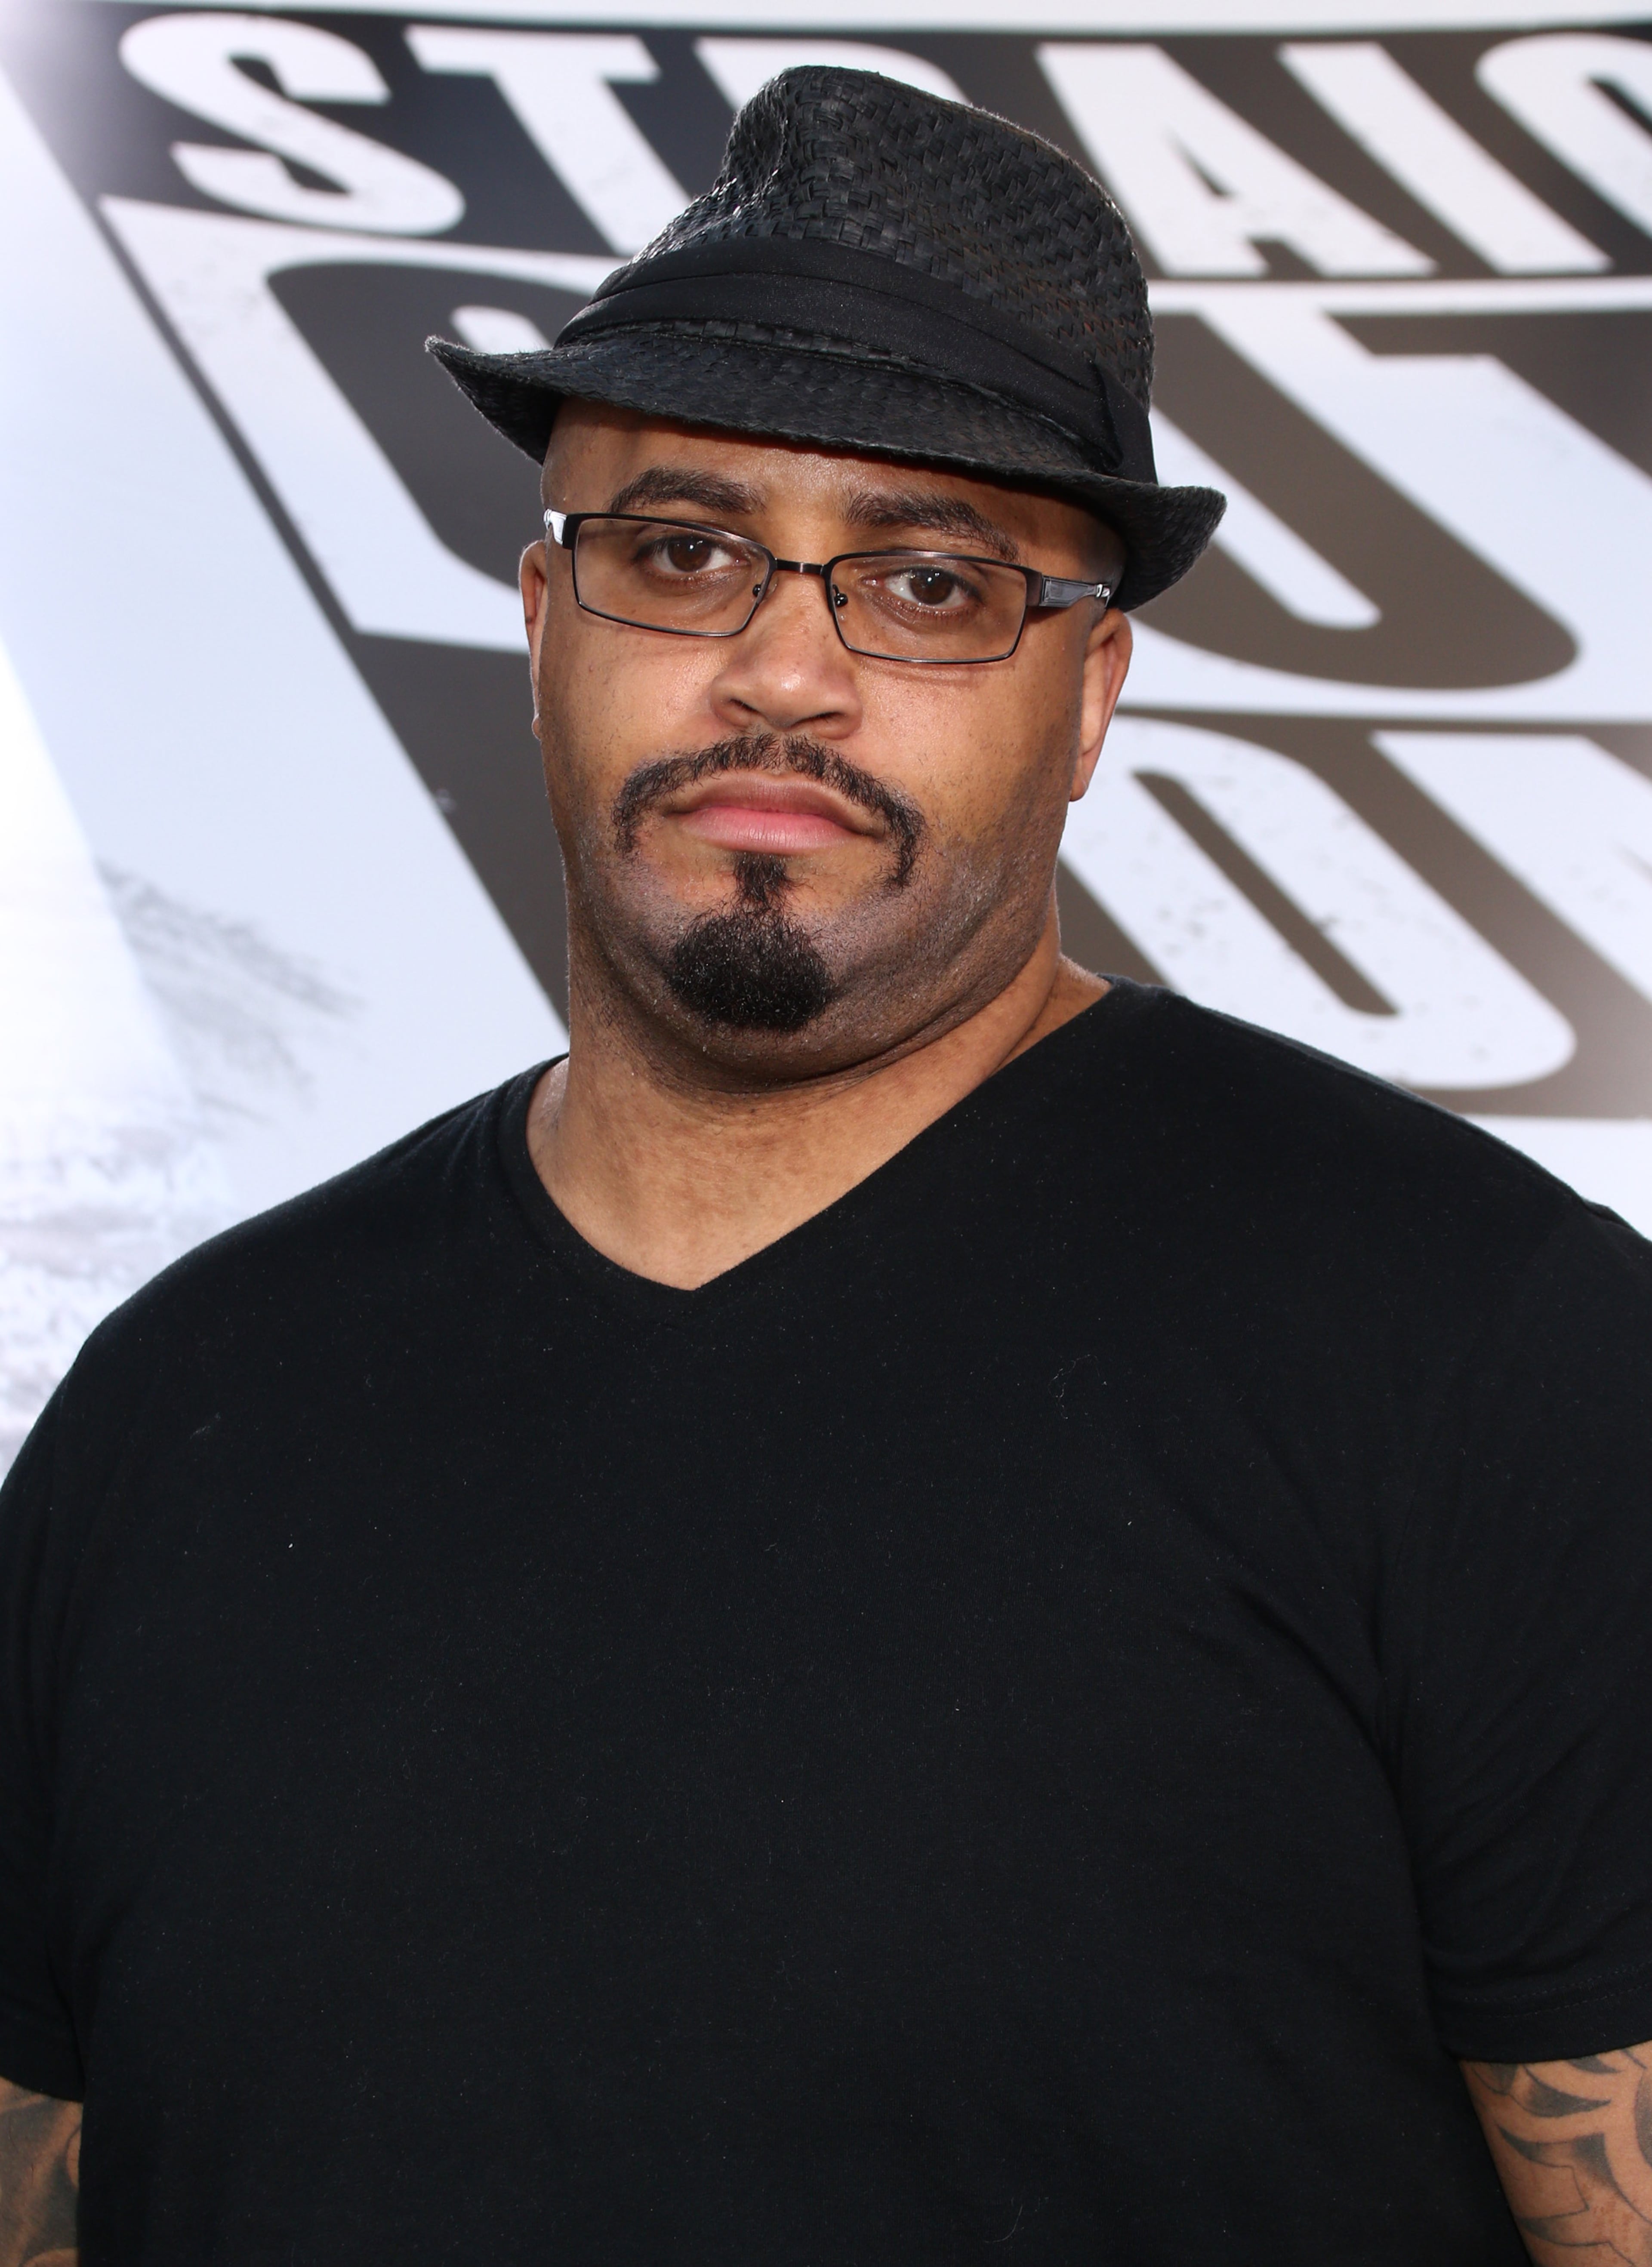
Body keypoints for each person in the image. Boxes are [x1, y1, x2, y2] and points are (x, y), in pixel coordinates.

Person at [0, 64, 1649, 2267]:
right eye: (681, 552)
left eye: (935, 582)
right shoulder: (171, 1421)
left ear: (1089, 696)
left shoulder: (1495, 1360)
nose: (785, 671)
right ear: (543, 619)